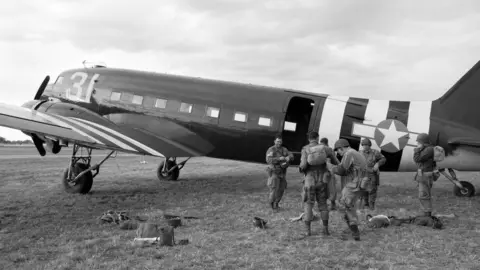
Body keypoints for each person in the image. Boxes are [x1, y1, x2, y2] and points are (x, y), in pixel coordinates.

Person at [326, 138, 367, 241]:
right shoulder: (356, 153)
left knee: (344, 205)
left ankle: (354, 232)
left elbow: (342, 170)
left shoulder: (348, 153)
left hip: (354, 183)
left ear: (341, 148)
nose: (338, 153)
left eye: (338, 151)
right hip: (361, 183)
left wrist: (329, 166)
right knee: (350, 206)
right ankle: (353, 229)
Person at [299, 132, 338, 236]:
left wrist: (302, 170)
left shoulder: (305, 149)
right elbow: (336, 162)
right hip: (322, 180)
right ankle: (325, 229)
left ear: (309, 139)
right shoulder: (325, 148)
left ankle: (308, 231)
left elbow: (303, 166)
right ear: (317, 138)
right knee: (323, 204)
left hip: (309, 180)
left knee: (308, 204)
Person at [265, 134, 294, 210]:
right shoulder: (271, 149)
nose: (279, 143)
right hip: (274, 172)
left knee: (281, 189)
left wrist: (289, 157)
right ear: (274, 141)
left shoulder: (284, 149)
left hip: (282, 173)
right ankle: (271, 205)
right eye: (277, 141)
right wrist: (279, 159)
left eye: (280, 141)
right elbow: (268, 160)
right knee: (274, 189)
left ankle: (276, 204)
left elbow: (291, 155)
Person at [359, 138, 386, 210]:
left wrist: (377, 164)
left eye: (366, 145)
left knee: (372, 190)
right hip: (363, 174)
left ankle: (371, 206)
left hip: (372, 174)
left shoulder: (375, 152)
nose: (365, 146)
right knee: (363, 189)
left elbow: (383, 159)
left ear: (369, 145)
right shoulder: (359, 153)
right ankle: (366, 204)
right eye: (363, 145)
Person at [413, 133, 435, 217]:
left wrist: (416, 150)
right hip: (423, 175)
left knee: (424, 195)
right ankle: (426, 213)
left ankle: (427, 215)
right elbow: (418, 161)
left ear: (423, 142)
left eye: (419, 142)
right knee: (423, 194)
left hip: (425, 175)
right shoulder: (426, 149)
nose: (417, 144)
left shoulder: (429, 149)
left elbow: (417, 159)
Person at [320, 137, 340, 210]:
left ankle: (323, 204)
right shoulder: (329, 149)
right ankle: (332, 204)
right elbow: (335, 161)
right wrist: (340, 166)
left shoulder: (317, 148)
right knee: (331, 188)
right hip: (329, 171)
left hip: (320, 171)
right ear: (327, 143)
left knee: (322, 188)